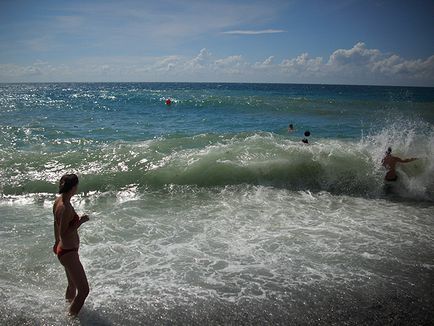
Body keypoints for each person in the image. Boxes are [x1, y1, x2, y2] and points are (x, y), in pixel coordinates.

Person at [53, 174, 89, 316]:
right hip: (68, 252)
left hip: (64, 250)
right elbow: (64, 233)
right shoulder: (66, 207)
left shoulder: (58, 201)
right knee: (84, 290)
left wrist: (56, 242)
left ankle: (68, 308)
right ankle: (70, 318)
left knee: (72, 285)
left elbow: (55, 224)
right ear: (73, 187)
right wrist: (80, 222)